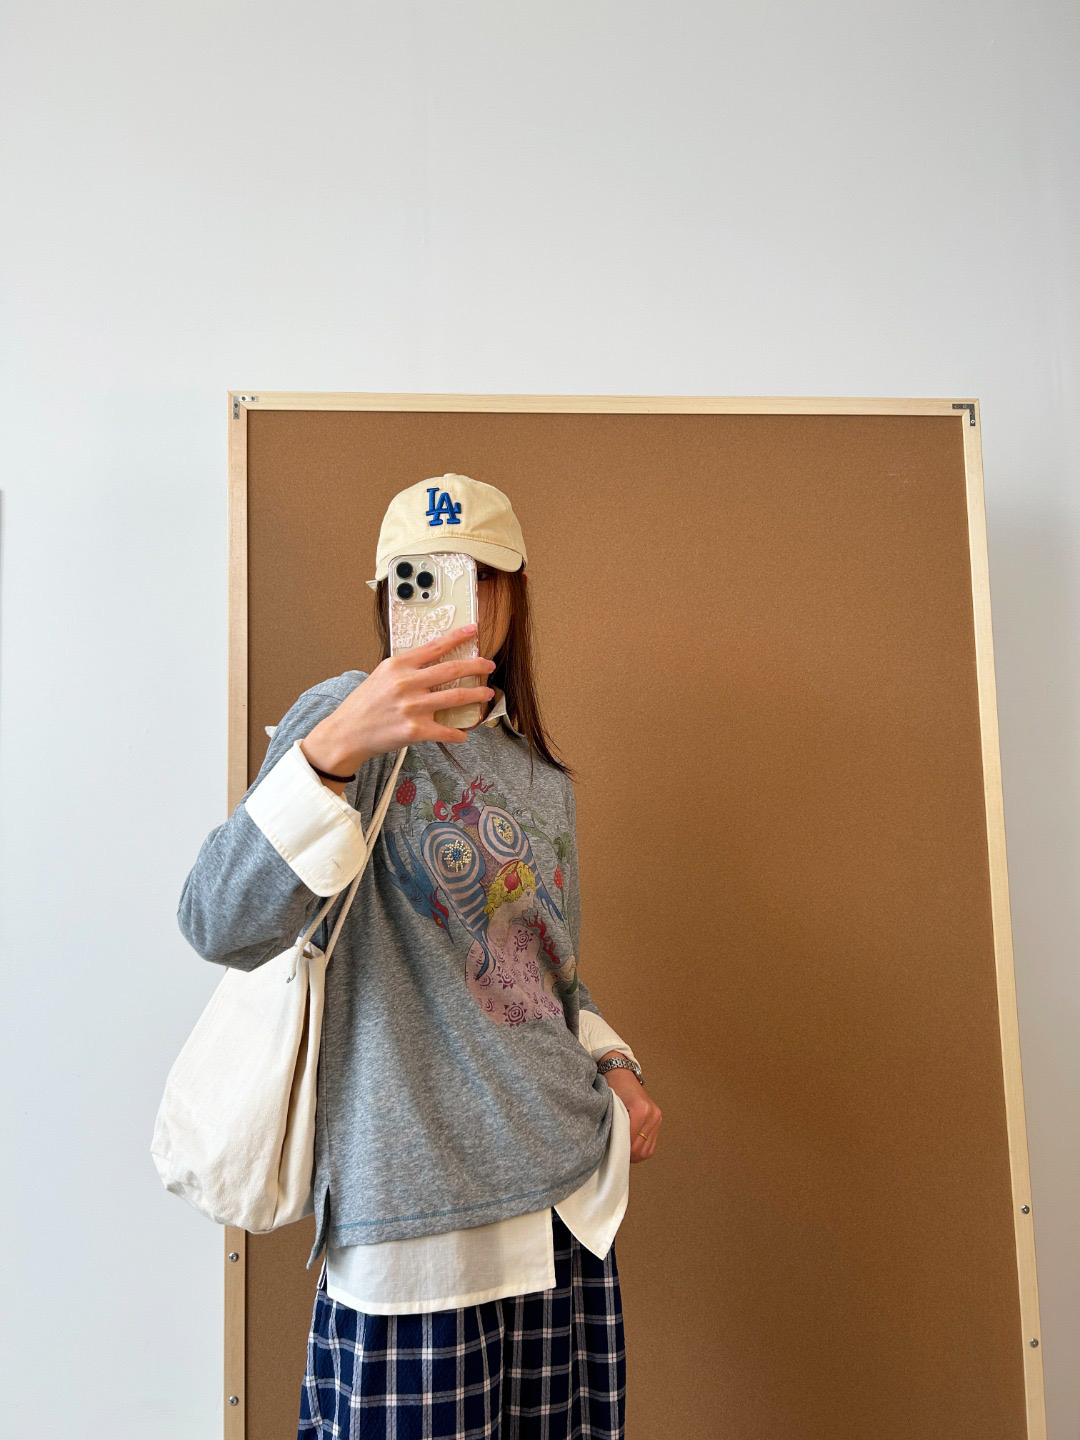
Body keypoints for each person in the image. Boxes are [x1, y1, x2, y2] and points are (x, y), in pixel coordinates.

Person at [177, 473, 663, 1439]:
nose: (456, 602)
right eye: (424, 576)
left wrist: (613, 1059)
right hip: (413, 1228)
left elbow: (540, 977)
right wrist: (332, 751)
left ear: (514, 591)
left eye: (476, 575)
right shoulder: (344, 723)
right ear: (387, 594)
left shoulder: (538, 774)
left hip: (566, 1205)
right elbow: (217, 922)